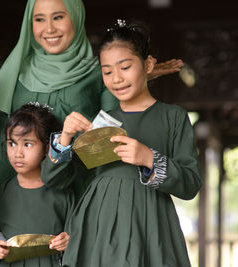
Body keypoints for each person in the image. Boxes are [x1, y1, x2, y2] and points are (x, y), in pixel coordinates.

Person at [0, 0, 183, 202]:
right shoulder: (16, 74)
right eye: (39, 19)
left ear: (75, 17)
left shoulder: (98, 74)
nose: (49, 28)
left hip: (75, 199)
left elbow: (107, 138)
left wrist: (133, 78)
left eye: (59, 17)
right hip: (18, 201)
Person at [46, 19, 202, 267]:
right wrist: (64, 138)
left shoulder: (173, 117)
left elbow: (191, 185)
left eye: (125, 67)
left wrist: (149, 159)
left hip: (149, 223)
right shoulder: (102, 121)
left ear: (148, 64)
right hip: (98, 225)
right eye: (107, 71)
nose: (116, 78)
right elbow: (55, 179)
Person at [0, 103, 74, 267]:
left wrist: (68, 241)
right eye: (12, 143)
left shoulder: (64, 193)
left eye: (27, 144)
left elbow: (82, 235)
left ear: (47, 147)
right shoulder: (2, 194)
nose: (18, 153)